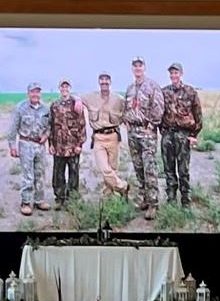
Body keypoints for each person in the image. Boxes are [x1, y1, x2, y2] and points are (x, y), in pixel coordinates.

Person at [120, 56, 165, 219]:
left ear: (144, 68)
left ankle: (153, 204)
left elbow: (159, 107)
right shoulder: (130, 88)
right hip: (133, 134)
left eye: (140, 66)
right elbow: (126, 107)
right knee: (138, 167)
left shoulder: (152, 86)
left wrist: (152, 126)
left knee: (149, 168)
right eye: (135, 66)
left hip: (147, 134)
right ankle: (145, 198)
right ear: (132, 69)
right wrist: (126, 121)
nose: (137, 68)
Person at [159, 60, 203, 207]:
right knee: (168, 169)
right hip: (168, 136)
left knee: (183, 170)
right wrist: (163, 132)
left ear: (181, 74)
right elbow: (159, 113)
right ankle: (171, 198)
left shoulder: (190, 92)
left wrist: (193, 135)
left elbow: (198, 115)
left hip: (183, 136)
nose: (173, 75)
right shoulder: (164, 92)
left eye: (176, 72)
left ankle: (185, 200)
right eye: (171, 73)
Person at [9, 82, 52, 216]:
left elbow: (50, 126)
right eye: (33, 92)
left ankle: (39, 200)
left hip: (40, 145)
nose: (35, 94)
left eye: (37, 91)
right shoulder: (21, 108)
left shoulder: (45, 109)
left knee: (40, 173)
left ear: (40, 93)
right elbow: (13, 128)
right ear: (28, 93)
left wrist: (46, 135)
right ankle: (26, 202)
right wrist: (12, 145)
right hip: (25, 144)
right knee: (28, 174)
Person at [85, 72, 129, 196]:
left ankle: (108, 195)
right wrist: (77, 101)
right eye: (102, 79)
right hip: (98, 138)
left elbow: (127, 115)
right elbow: (77, 98)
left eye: (107, 80)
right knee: (105, 169)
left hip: (113, 137)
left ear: (110, 82)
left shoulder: (119, 99)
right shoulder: (90, 97)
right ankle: (123, 186)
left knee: (112, 169)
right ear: (99, 82)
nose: (104, 82)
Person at [47, 79, 88, 208]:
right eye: (62, 86)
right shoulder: (54, 105)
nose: (64, 89)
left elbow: (82, 124)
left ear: (70, 88)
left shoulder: (76, 104)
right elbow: (51, 126)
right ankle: (59, 198)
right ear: (59, 88)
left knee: (74, 173)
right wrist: (51, 144)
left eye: (67, 86)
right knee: (58, 173)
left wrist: (79, 144)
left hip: (73, 146)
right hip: (59, 146)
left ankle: (72, 199)